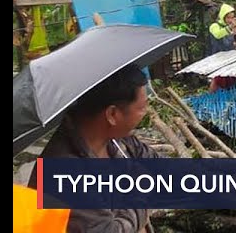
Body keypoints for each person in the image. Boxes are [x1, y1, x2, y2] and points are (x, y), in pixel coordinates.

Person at [28, 63, 158, 233]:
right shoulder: (64, 171)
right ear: (112, 114)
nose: (146, 113)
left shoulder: (118, 141)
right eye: (141, 108)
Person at [208, 4, 236, 92]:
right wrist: (230, 28)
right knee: (217, 78)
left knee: (231, 76)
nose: (230, 20)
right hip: (218, 56)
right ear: (223, 17)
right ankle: (212, 97)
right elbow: (218, 34)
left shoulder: (232, 26)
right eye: (228, 18)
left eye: (232, 17)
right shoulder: (214, 26)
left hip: (230, 55)